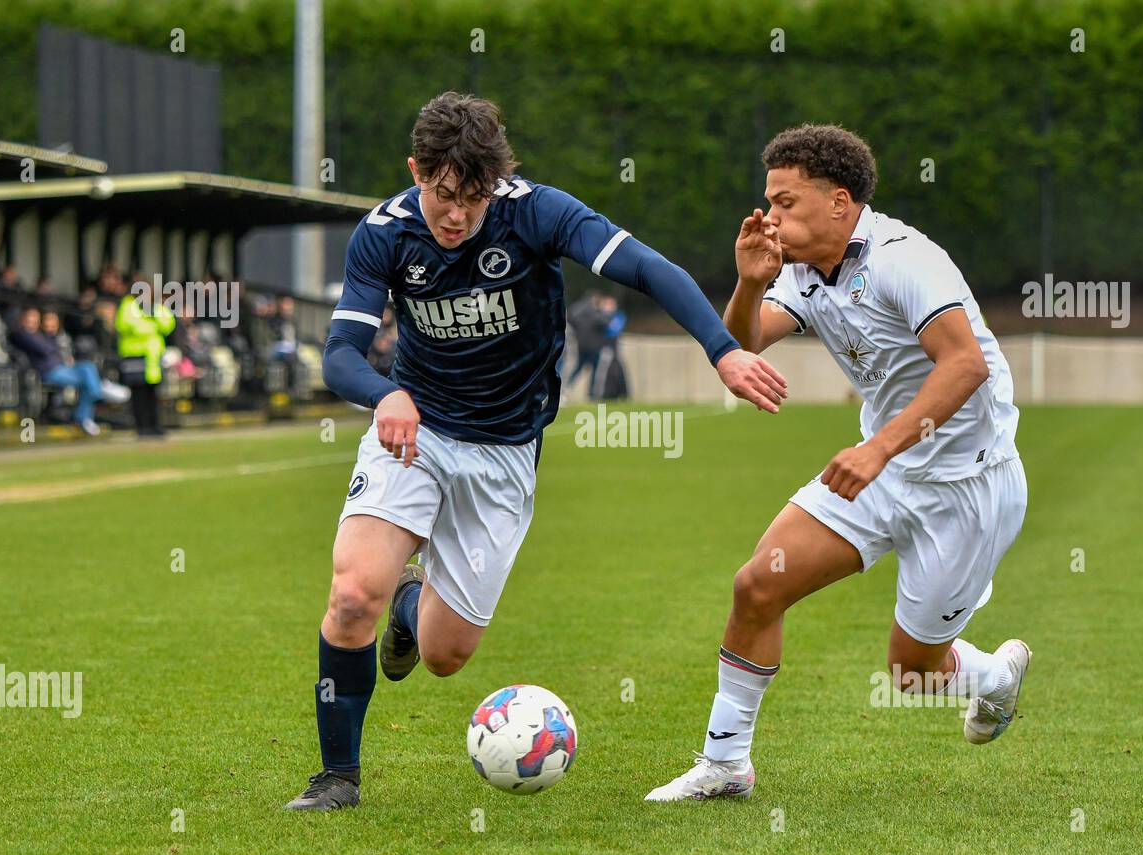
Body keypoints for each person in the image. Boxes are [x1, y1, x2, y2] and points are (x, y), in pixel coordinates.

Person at [286, 91, 788, 811]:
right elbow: (339, 354)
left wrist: (722, 352)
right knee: (348, 594)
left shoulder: (540, 212)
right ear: (415, 171)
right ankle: (338, 777)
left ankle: (409, 609)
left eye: (473, 197)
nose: (456, 214)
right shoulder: (385, 232)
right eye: (441, 194)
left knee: (444, 654)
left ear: (497, 185)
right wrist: (384, 394)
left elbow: (647, 269)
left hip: (504, 453)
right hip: (414, 434)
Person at [645, 124, 1029, 802]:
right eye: (768, 200)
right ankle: (726, 764)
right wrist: (746, 285)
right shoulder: (800, 270)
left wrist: (878, 447)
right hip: (879, 473)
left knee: (912, 673)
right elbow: (743, 345)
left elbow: (965, 365)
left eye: (786, 202)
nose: (770, 216)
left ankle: (995, 677)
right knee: (757, 586)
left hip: (966, 486)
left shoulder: (906, 259)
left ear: (840, 203)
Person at [8, 306, 127, 435]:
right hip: (49, 372)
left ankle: (97, 391)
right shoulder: (22, 334)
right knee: (88, 381)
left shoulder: (44, 335)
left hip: (63, 368)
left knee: (88, 366)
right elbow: (45, 349)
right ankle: (98, 391)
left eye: (35, 317)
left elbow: (55, 350)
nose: (33, 320)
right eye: (30, 317)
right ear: (23, 319)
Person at [115, 278, 176, 437]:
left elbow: (168, 324)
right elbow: (127, 325)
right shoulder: (128, 305)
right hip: (135, 356)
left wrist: (153, 315)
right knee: (138, 394)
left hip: (153, 358)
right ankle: (142, 427)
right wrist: (151, 325)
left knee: (153, 393)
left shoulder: (155, 307)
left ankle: (154, 425)